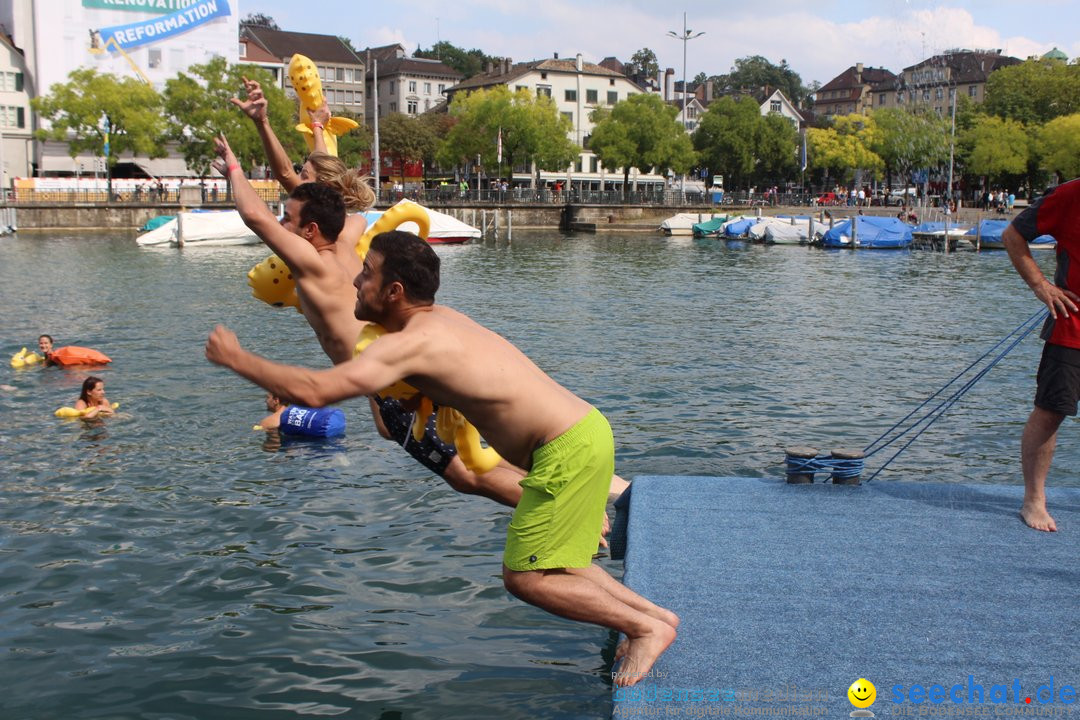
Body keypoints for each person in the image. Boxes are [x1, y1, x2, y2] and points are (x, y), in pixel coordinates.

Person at [205, 231, 677, 686]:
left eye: (365, 273)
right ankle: (655, 616)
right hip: (584, 431)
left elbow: (315, 390)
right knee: (564, 560)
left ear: (393, 290)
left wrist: (236, 358)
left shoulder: (410, 343)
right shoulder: (442, 319)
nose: (354, 281)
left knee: (526, 577)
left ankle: (645, 629)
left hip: (564, 449)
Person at [1002, 178, 1080, 532]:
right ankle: (1033, 500)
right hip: (1072, 327)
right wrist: (1040, 285)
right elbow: (1013, 235)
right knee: (1050, 411)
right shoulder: (1071, 195)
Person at [230, 77, 374, 247]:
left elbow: (284, 173)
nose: (298, 180)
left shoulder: (330, 240)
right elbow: (318, 161)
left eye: (304, 176)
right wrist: (317, 127)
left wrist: (262, 122)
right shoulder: (353, 223)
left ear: (324, 186)